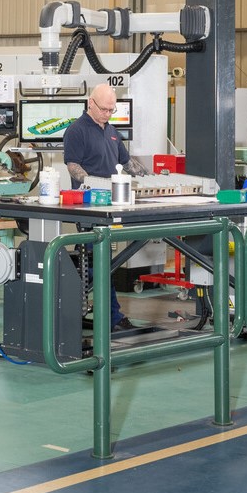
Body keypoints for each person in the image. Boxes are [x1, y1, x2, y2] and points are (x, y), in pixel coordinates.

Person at [62, 84, 145, 330]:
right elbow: (73, 166)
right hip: (90, 207)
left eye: (112, 110)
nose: (107, 114)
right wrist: (93, 185)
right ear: (90, 103)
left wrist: (152, 179)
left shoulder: (111, 131)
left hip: (113, 204)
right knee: (98, 263)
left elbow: (127, 163)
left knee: (97, 264)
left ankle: (77, 308)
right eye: (104, 109)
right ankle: (111, 318)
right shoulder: (76, 131)